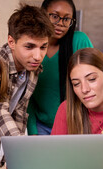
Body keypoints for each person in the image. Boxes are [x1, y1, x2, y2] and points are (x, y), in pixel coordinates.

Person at [0, 4, 54, 162]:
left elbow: (19, 114)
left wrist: (10, 161)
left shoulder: (33, 70)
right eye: (29, 46)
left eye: (43, 47)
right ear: (11, 42)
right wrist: (21, 151)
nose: (38, 56)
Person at [27, 0, 93, 135]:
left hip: (76, 124)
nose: (61, 23)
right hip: (42, 127)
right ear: (43, 14)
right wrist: (33, 132)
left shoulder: (79, 40)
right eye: (55, 16)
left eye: (66, 19)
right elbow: (28, 97)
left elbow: (94, 82)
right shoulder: (33, 49)